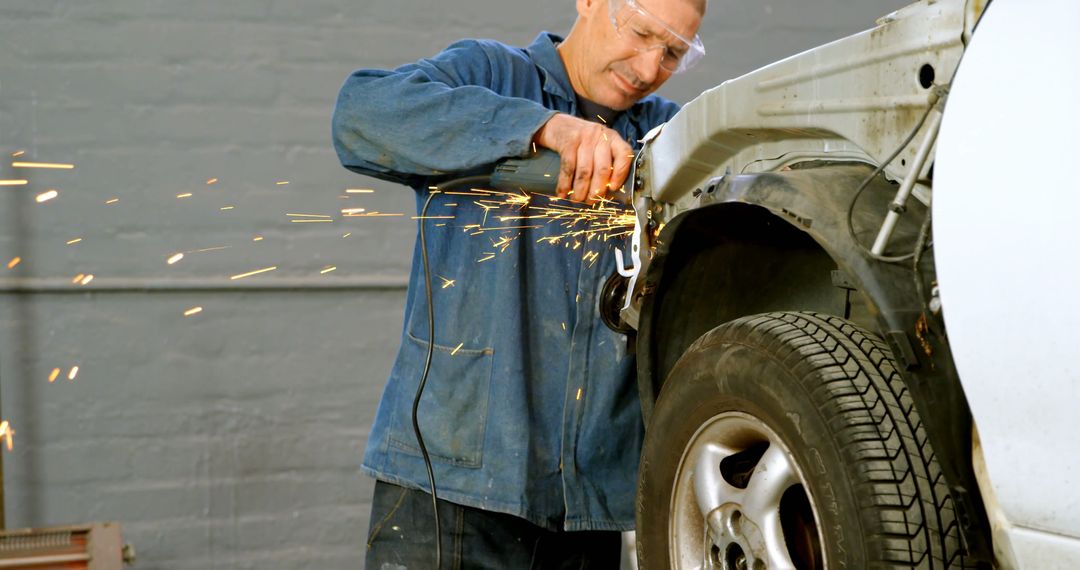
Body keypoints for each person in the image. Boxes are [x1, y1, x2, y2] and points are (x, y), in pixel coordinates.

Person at [332, 0, 706, 566]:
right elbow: (360, 115)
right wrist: (540, 128)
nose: (650, 67)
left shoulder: (668, 136)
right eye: (641, 33)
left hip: (589, 513)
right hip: (451, 494)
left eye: (674, 52)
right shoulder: (488, 74)